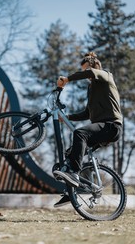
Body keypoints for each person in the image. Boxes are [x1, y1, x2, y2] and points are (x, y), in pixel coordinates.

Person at [53, 52, 123, 207]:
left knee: (80, 133)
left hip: (111, 126)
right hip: (101, 128)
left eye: (86, 71)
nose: (86, 76)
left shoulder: (106, 77)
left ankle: (75, 177)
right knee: (71, 153)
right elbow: (86, 113)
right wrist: (66, 117)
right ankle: (70, 193)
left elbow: (91, 72)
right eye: (83, 72)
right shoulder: (91, 90)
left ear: (95, 67)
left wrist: (67, 79)